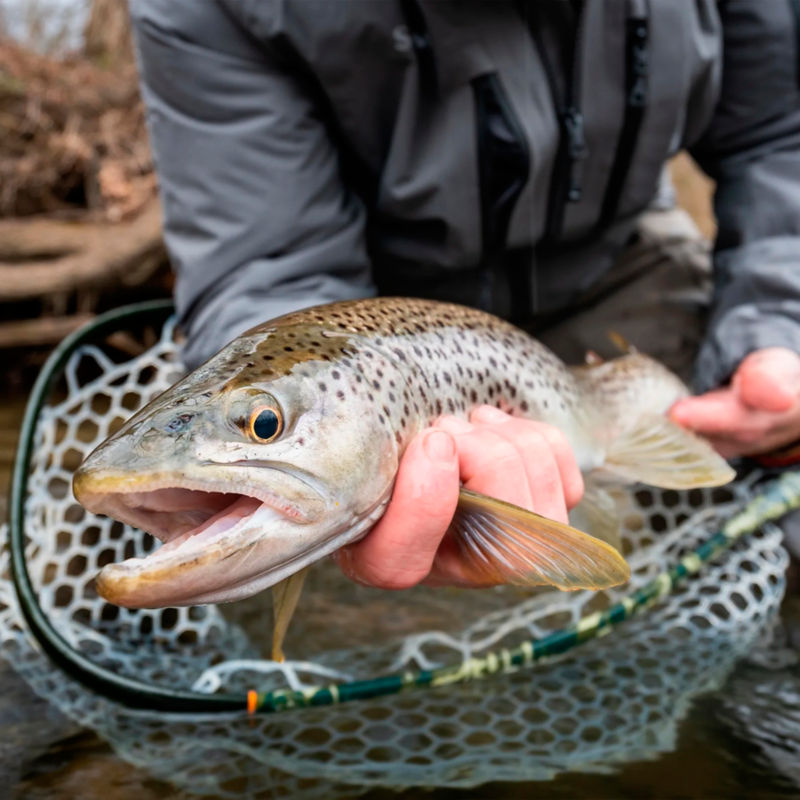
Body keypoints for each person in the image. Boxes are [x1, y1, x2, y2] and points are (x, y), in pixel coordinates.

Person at [130, 0, 800, 588]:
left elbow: (779, 132)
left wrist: (779, 324)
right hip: (371, 305)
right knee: (339, 596)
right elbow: (268, 270)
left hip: (619, 253)